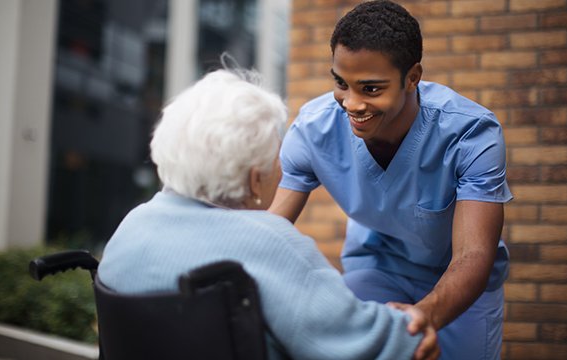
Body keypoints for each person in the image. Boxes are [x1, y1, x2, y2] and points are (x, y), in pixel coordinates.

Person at [98, 68, 439, 360]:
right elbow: (373, 342)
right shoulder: (265, 243)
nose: (281, 167)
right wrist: (409, 327)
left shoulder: (130, 228)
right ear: (253, 179)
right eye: (278, 155)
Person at [269, 1, 513, 359]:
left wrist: (425, 314)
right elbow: (273, 225)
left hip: (458, 279)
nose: (351, 103)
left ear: (412, 77)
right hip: (376, 267)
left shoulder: (471, 134)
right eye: (341, 83)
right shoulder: (313, 129)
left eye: (370, 89)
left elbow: (474, 253)